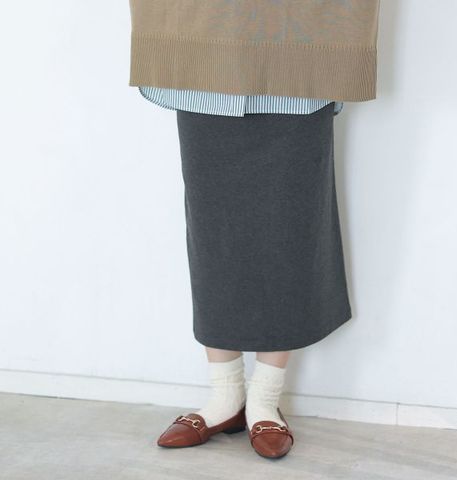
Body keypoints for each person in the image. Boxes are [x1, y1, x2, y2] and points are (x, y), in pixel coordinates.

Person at [128, 0, 381, 459]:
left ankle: (264, 398)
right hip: (206, 50)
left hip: (299, 53)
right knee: (213, 232)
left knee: (291, 229)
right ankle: (225, 395)